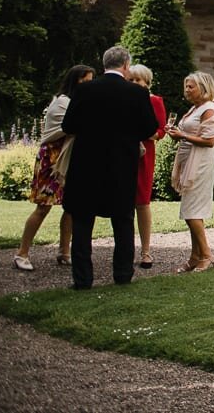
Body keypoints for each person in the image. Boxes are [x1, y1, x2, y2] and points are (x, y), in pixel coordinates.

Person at [62, 45, 159, 289]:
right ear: (126, 65)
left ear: (104, 64)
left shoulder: (84, 90)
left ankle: (83, 279)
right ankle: (122, 274)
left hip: (86, 164)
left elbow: (68, 125)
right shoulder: (136, 93)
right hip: (121, 165)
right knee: (123, 222)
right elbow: (149, 128)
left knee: (83, 223)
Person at [14, 65, 93, 271]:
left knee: (70, 207)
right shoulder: (62, 103)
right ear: (76, 81)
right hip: (52, 159)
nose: (90, 85)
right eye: (86, 81)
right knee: (43, 207)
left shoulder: (77, 103)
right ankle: (22, 253)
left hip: (69, 158)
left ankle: (64, 251)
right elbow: (72, 126)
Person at [167, 71, 214, 272]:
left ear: (204, 88)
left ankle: (207, 255)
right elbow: (188, 134)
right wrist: (177, 134)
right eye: (186, 86)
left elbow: (210, 141)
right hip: (188, 159)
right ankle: (194, 256)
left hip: (200, 163)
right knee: (192, 209)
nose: (187, 89)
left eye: (191, 86)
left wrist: (182, 134)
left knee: (192, 210)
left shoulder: (210, 109)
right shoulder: (195, 108)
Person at [128, 64, 167, 271]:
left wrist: (144, 132)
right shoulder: (121, 101)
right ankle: (124, 250)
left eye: (138, 80)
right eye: (131, 80)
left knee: (142, 202)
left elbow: (160, 131)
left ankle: (146, 250)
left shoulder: (154, 101)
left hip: (144, 155)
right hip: (122, 153)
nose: (134, 84)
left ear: (147, 82)